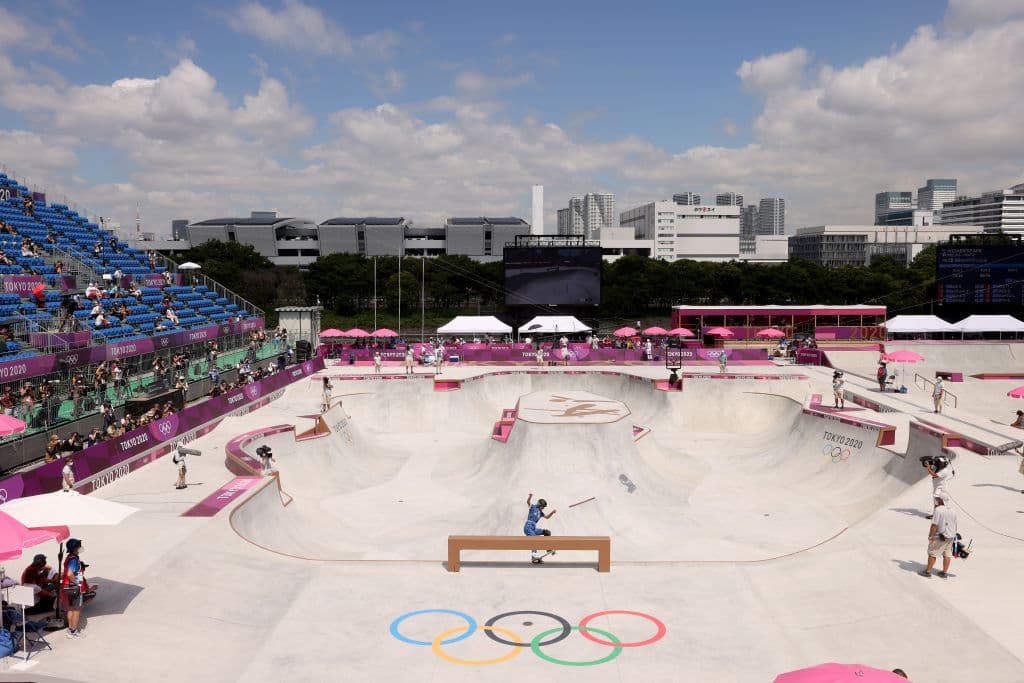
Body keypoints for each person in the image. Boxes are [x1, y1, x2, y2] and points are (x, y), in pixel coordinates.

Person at [60, 538, 94, 637]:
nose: (80, 547)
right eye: (79, 546)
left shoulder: (69, 557)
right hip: (74, 588)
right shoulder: (73, 559)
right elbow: (70, 573)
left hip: (68, 587)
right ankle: (73, 630)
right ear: (75, 548)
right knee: (77, 610)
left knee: (71, 608)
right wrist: (76, 583)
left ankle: (70, 629)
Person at [919, 494, 957, 578]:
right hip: (951, 536)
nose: (935, 501)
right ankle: (944, 573)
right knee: (947, 554)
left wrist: (930, 536)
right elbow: (955, 524)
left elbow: (934, 525)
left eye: (937, 499)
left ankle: (928, 572)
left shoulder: (938, 510)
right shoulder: (953, 510)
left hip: (940, 536)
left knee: (933, 553)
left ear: (941, 500)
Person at [523, 493, 557, 564]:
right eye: (543, 507)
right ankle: (533, 556)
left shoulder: (541, 512)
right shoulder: (533, 507)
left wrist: (552, 512)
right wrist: (530, 497)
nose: (543, 508)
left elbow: (547, 517)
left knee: (547, 532)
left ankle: (548, 549)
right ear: (539, 505)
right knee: (535, 539)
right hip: (528, 526)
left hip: (534, 528)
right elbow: (528, 502)